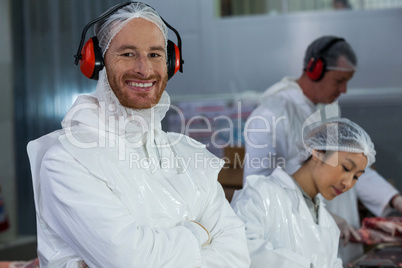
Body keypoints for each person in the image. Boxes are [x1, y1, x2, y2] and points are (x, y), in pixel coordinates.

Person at [27, 2, 250, 267]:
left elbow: (236, 254)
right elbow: (132, 260)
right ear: (96, 62)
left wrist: (157, 248)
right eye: (128, 54)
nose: (144, 69)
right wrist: (198, 232)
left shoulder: (187, 156)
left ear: (171, 62)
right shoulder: (67, 160)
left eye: (155, 54)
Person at [243, 35, 402, 265]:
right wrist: (314, 214)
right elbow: (258, 184)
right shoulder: (272, 113)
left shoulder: (327, 111)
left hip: (333, 234)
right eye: (340, 80)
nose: (344, 89)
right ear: (315, 69)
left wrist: (394, 198)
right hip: (294, 241)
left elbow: (351, 164)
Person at [232, 118, 376, 268]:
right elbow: (238, 249)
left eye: (356, 177)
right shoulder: (261, 194)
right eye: (346, 168)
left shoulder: (329, 226)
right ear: (318, 152)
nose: (347, 183)